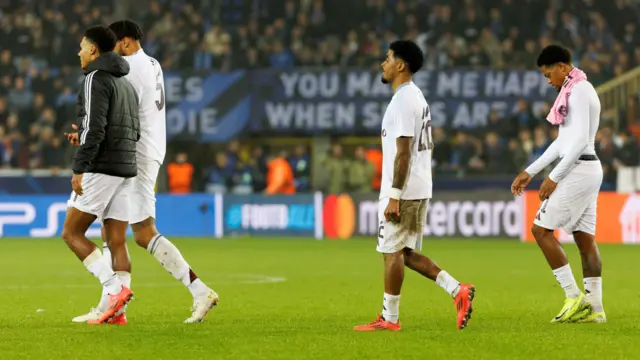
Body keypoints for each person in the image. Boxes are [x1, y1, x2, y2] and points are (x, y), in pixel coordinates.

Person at [69, 20, 218, 325]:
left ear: (124, 42)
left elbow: (116, 113)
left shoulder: (129, 68)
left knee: (140, 232)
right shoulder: (152, 63)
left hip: (135, 154)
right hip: (146, 151)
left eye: (115, 44)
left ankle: (198, 290)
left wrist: (88, 134)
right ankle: (112, 307)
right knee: (113, 232)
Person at [353, 40, 475, 332]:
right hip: (417, 186)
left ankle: (390, 319)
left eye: (387, 58)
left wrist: (394, 195)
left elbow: (404, 152)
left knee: (391, 252)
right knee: (404, 252)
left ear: (400, 65)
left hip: (404, 190)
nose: (383, 63)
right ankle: (458, 290)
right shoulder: (414, 98)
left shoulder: (404, 100)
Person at [511, 44, 605, 323]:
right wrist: (531, 170)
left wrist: (553, 177)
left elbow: (575, 143)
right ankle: (595, 310)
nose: (547, 79)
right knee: (585, 240)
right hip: (587, 166)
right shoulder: (574, 89)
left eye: (548, 73)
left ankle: (574, 296)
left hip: (579, 167)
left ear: (562, 67)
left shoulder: (578, 91)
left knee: (540, 230)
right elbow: (563, 141)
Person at [61, 25, 140, 325]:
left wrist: (80, 165)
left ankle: (114, 290)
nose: (78, 52)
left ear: (94, 49)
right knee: (116, 240)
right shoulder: (126, 83)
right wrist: (84, 137)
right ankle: (116, 313)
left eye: (82, 46)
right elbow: (132, 130)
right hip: (125, 168)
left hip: (102, 167)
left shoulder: (95, 77)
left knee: (71, 233)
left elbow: (96, 127)